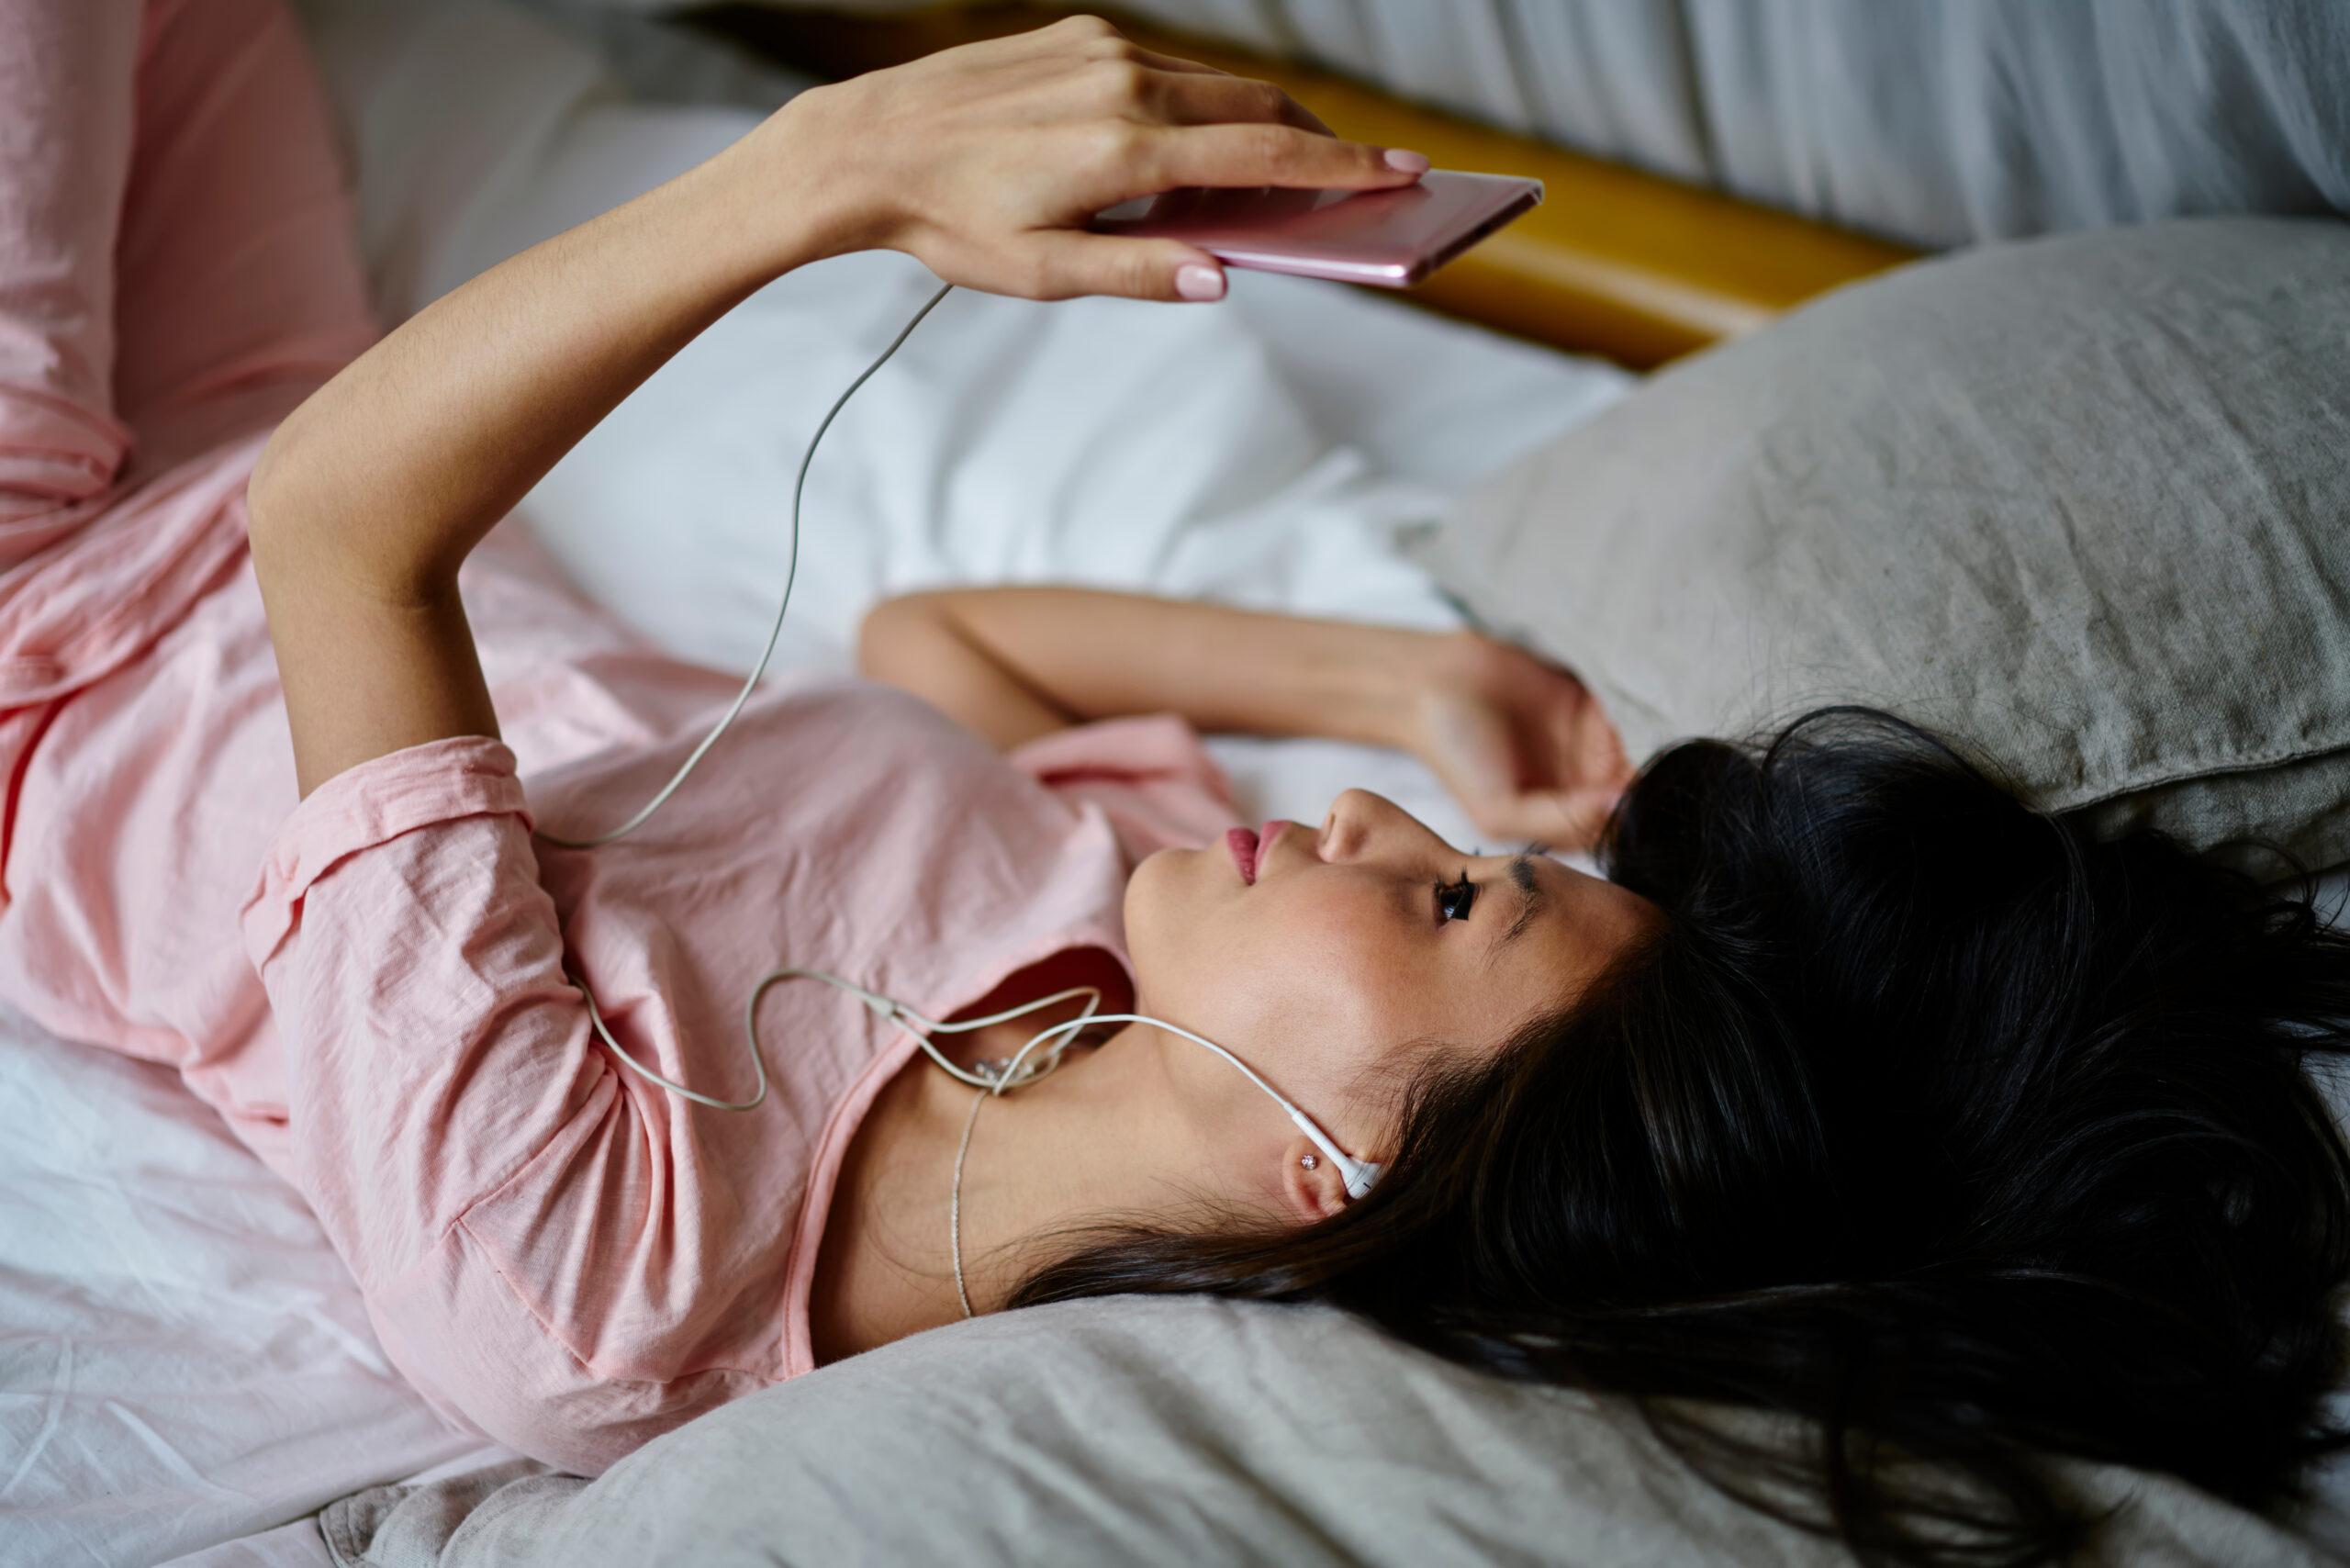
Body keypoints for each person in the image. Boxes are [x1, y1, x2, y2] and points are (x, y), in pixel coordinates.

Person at [2, 6, 2344, 1565]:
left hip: (51, 604)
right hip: (250, 421)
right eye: (1466, 863)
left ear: (1320, 1165)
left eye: (1447, 909)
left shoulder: (601, 1284)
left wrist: (823, 171)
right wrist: (1387, 662)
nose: (1370, 825)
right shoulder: (1079, 960)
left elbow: (348, 526)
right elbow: (946, 650)